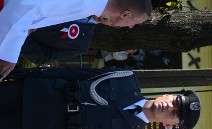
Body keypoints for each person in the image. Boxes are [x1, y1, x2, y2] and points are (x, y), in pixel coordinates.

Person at [0, 66, 201, 129]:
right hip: (35, 91)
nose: (169, 106)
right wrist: (29, 74)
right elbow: (76, 73)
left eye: (174, 113)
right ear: (167, 94)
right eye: (174, 101)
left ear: (168, 125)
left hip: (36, 127)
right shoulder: (126, 79)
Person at [0, 0, 152, 78]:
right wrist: (9, 54)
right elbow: (24, 5)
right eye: (134, 23)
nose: (130, 27)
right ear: (125, 14)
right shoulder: (86, 3)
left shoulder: (90, 7)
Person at [19, 18, 98, 66]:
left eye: (111, 20)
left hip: (16, 32)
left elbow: (44, 56)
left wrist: (20, 38)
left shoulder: (81, 45)